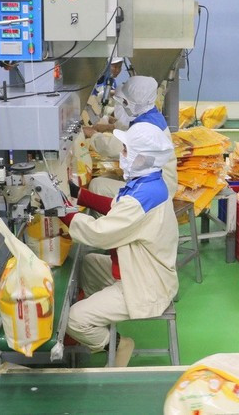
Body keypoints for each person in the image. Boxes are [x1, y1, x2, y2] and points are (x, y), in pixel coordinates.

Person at [59, 122, 179, 367]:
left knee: (74, 319)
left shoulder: (143, 196)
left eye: (125, 150)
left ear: (141, 157)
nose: (121, 155)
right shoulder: (148, 183)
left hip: (145, 285)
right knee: (90, 263)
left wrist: (60, 211)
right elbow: (117, 208)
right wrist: (78, 194)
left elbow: (99, 233)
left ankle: (116, 343)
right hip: (140, 268)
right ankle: (97, 319)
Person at [83, 76, 178, 198]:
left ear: (133, 103)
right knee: (108, 177)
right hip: (157, 182)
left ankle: (115, 216)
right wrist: (110, 127)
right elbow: (129, 127)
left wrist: (93, 135)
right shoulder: (150, 115)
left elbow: (112, 147)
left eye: (124, 102)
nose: (123, 105)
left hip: (153, 191)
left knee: (97, 185)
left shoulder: (144, 127)